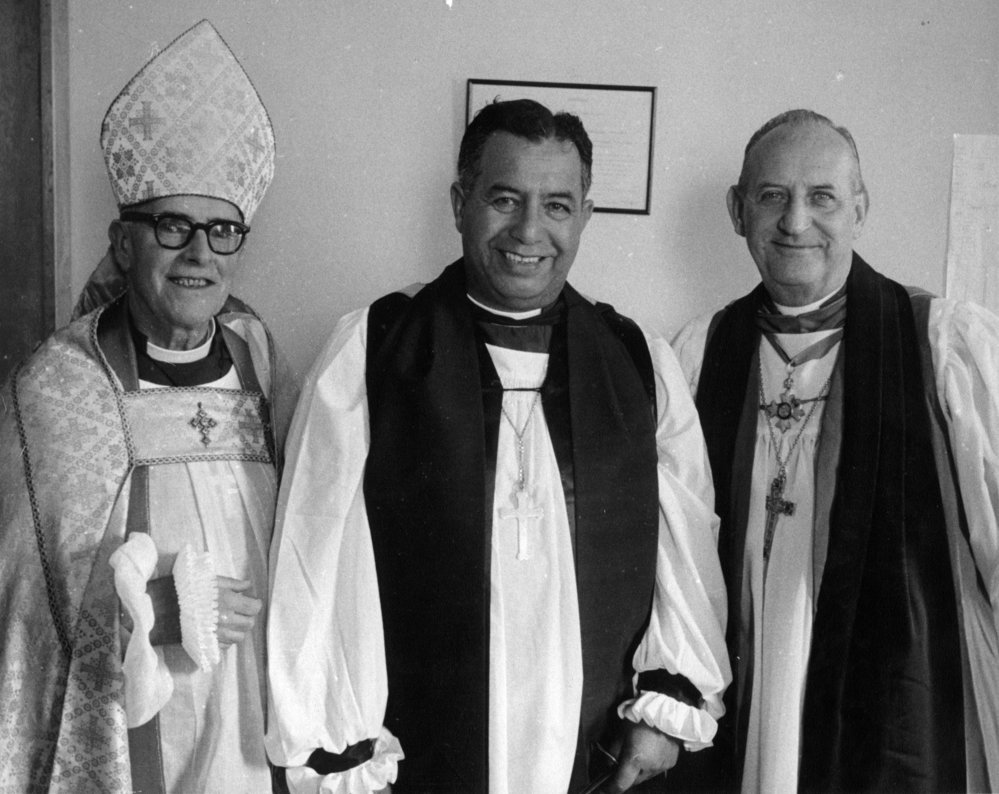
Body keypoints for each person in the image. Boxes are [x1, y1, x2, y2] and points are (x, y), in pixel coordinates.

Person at [265, 98, 731, 793]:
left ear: (585, 216)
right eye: (504, 199)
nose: (529, 231)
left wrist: (666, 711)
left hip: (591, 747)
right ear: (460, 202)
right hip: (423, 749)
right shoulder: (375, 349)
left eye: (557, 205)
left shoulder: (635, 361)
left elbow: (686, 551)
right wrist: (341, 743)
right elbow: (315, 560)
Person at [0, 20, 295, 792]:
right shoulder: (61, 381)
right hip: (143, 712)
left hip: (258, 703)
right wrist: (143, 620)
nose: (201, 253)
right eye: (173, 225)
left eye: (222, 230)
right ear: (124, 243)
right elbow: (27, 601)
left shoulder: (260, 356)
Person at [671, 108, 999, 792]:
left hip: (899, 684)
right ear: (737, 211)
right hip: (746, 670)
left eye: (820, 197)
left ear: (859, 208)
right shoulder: (701, 352)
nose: (795, 222)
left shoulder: (941, 342)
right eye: (771, 197)